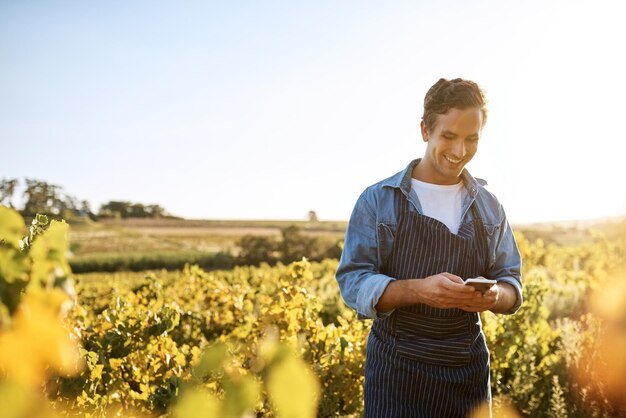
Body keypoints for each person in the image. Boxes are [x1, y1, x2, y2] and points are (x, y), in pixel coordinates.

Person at [335, 78, 523, 418]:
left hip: (466, 374)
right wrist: (418, 291)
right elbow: (353, 282)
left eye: (471, 138)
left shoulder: (489, 207)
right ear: (425, 130)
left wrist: (494, 295)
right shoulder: (379, 200)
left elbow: (511, 282)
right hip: (396, 374)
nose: (459, 151)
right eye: (448, 136)